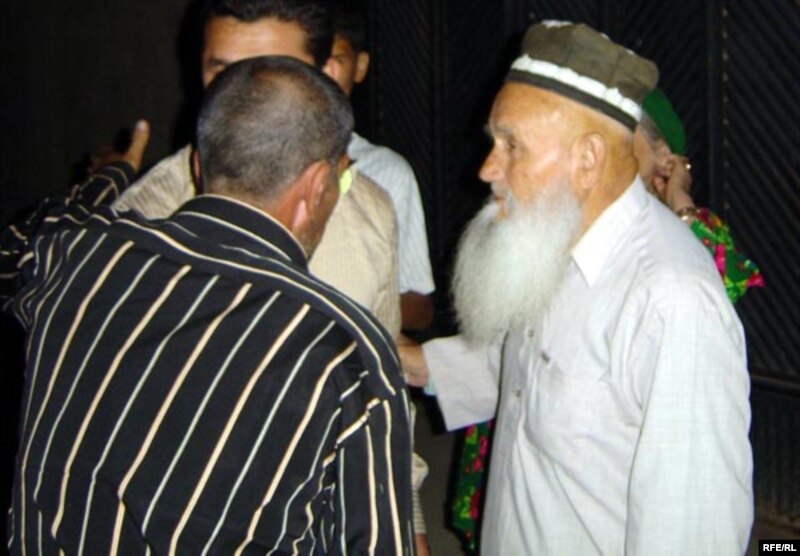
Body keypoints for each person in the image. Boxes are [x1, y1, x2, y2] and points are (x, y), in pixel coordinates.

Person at [1, 56, 414, 554]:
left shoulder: (75, 254)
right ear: (315, 186)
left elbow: (27, 234)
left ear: (197, 165)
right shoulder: (343, 350)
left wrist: (114, 174)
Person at [400, 21, 753, 554]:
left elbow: (693, 531)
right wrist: (409, 361)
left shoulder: (672, 299)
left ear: (588, 160)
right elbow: (527, 371)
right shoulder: (551, 241)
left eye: (512, 145)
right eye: (494, 142)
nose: (488, 169)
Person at [113, 0, 401, 336]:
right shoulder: (140, 222)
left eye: (269, 76)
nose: (238, 97)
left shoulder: (370, 213)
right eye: (221, 72)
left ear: (327, 76)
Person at [329, 3, 436, 331]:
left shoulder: (387, 172)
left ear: (359, 67)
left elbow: (420, 307)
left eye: (336, 60)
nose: (322, 74)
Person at [634, 87, 764, 302]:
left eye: (621, 134)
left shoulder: (697, 226)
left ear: (663, 156)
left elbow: (720, 293)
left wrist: (681, 205)